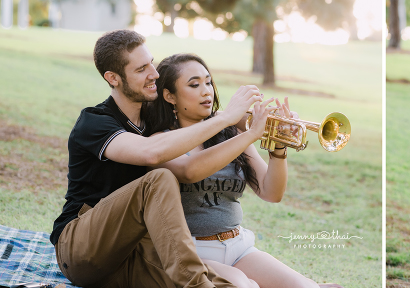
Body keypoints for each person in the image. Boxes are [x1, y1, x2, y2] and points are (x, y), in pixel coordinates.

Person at [51, 29, 261, 287]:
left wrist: (238, 122)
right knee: (158, 180)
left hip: (133, 255)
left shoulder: (155, 122)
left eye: (151, 62)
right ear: (113, 78)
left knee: (236, 285)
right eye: (141, 69)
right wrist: (227, 118)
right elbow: (151, 151)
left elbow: (186, 138)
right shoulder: (95, 121)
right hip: (82, 249)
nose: (155, 73)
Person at [143, 53, 320, 288]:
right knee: (244, 287)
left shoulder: (231, 134)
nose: (207, 91)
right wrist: (250, 134)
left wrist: (279, 147)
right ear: (169, 96)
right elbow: (189, 171)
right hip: (192, 250)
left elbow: (271, 192)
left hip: (238, 245)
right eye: (194, 84)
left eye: (208, 82)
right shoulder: (160, 141)